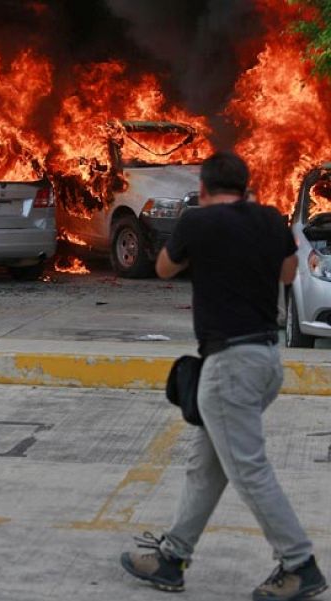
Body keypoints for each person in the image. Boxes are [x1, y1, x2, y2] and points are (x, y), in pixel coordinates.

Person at [120, 151, 327, 601]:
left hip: (229, 366)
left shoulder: (199, 222)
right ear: (246, 185)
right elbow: (289, 272)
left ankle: (299, 565)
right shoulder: (271, 220)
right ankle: (172, 559)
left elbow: (162, 268)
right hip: (266, 360)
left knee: (249, 470)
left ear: (205, 188)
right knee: (206, 467)